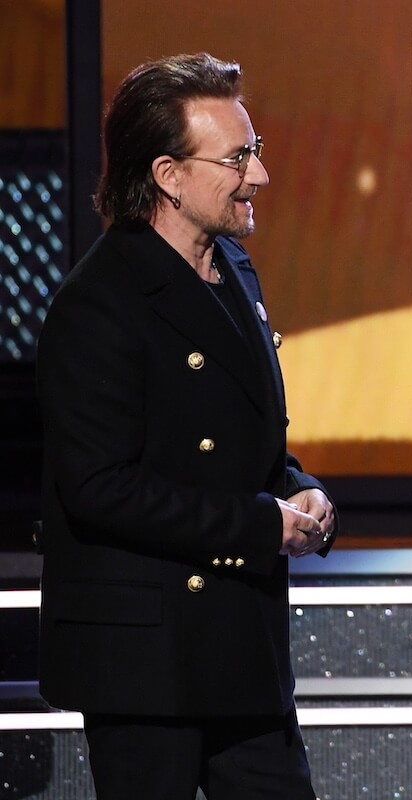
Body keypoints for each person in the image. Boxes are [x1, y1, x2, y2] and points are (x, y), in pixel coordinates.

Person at [36, 53, 335, 800]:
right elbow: (99, 487)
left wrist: (297, 489)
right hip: (148, 665)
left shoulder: (233, 267)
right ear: (168, 175)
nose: (258, 175)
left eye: (255, 151)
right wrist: (259, 524)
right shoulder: (98, 303)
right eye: (237, 158)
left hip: (242, 648)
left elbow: (241, 438)